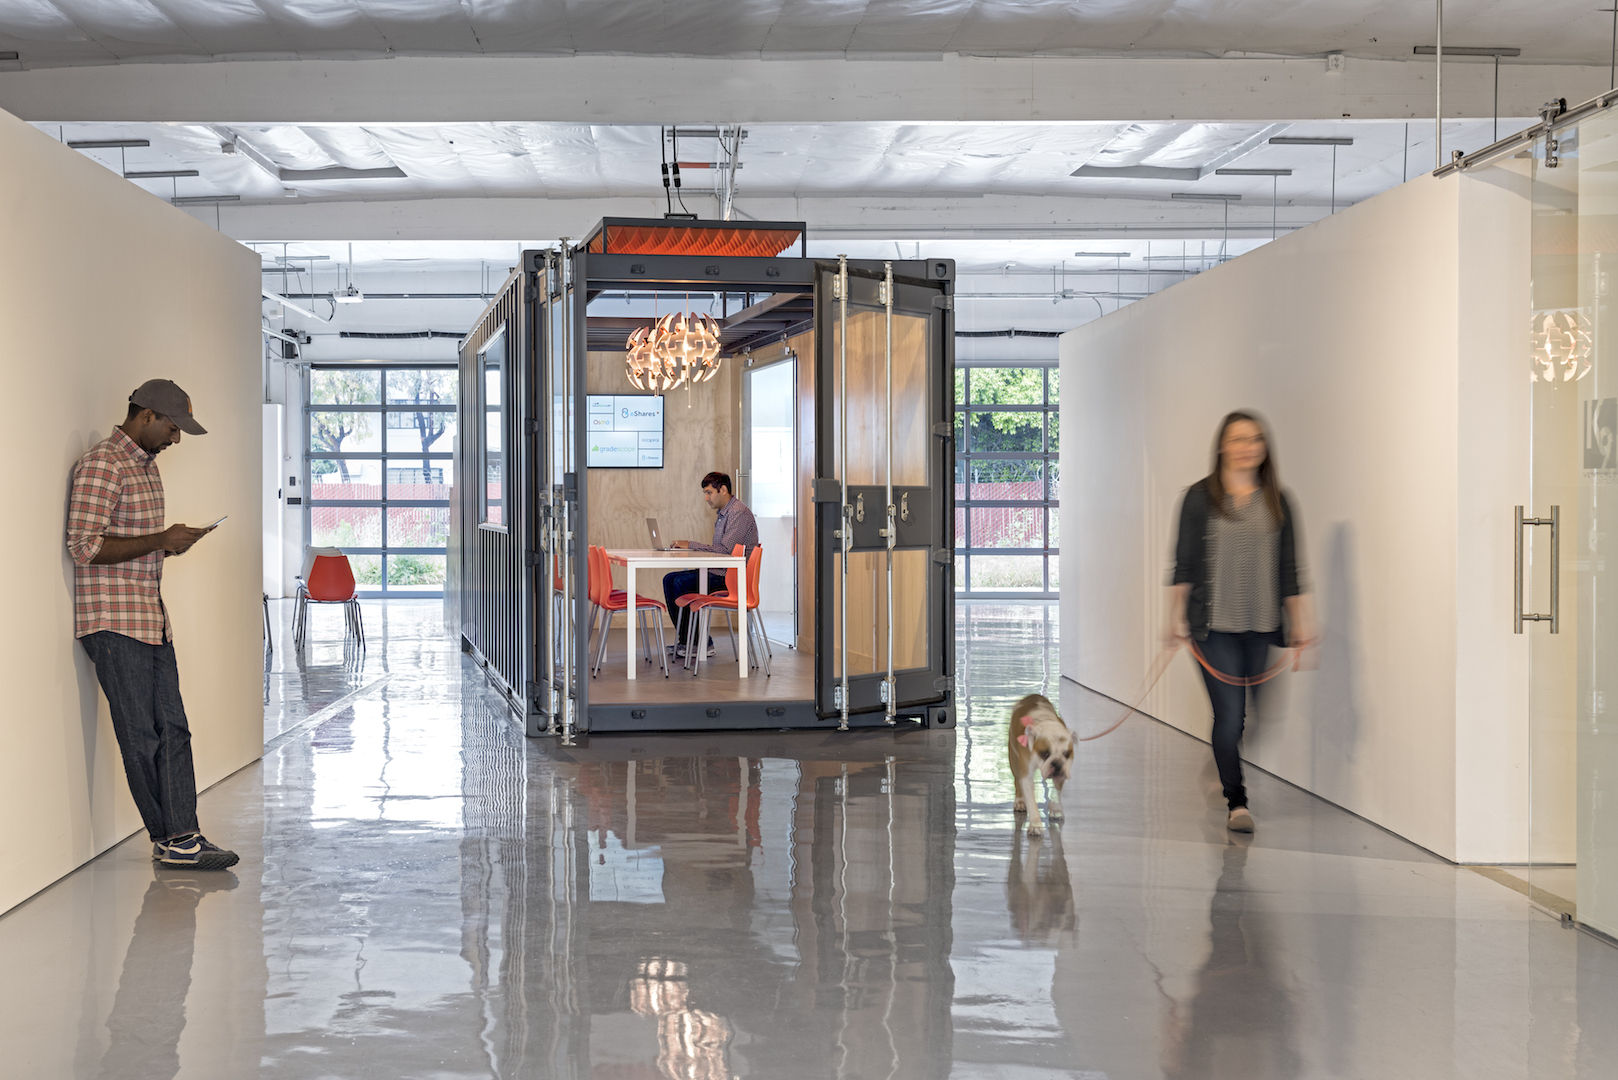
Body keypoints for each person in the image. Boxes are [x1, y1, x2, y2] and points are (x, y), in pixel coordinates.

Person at [66, 380, 239, 870]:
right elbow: (84, 546)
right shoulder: (103, 464)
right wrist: (161, 537)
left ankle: (184, 836)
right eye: (172, 426)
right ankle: (169, 839)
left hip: (150, 619)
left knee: (175, 731)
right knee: (141, 734)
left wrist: (168, 544)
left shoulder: (147, 470)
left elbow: (133, 543)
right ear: (145, 415)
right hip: (113, 622)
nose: (176, 438)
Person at [1166, 411, 1313, 834]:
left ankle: (1222, 759)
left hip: (1263, 625)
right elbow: (1184, 564)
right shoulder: (1199, 498)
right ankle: (1238, 803)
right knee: (1230, 716)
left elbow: (1290, 570)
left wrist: (1300, 624)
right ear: (1222, 446)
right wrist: (1175, 618)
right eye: (1238, 439)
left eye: (1256, 439)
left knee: (1261, 715)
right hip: (1213, 629)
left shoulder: (1278, 500)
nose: (1247, 446)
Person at [662, 471, 758, 658]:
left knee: (680, 583)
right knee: (670, 579)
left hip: (730, 578)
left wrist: (691, 545)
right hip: (721, 571)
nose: (706, 498)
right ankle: (689, 641)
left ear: (723, 490)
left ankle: (700, 643)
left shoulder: (738, 513)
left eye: (709, 492)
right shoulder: (724, 513)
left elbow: (725, 551)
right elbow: (720, 550)